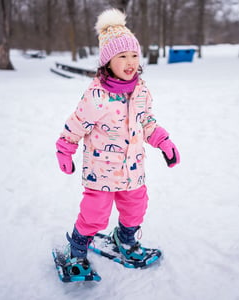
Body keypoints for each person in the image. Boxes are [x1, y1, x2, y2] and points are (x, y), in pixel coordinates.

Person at [55, 8, 180, 276]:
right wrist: (65, 149)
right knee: (95, 213)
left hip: (132, 170)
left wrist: (164, 141)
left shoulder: (141, 90)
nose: (130, 61)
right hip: (100, 171)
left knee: (136, 207)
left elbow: (147, 121)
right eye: (122, 56)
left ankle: (124, 239)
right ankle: (75, 251)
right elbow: (76, 123)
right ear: (107, 62)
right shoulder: (96, 96)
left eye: (134, 55)